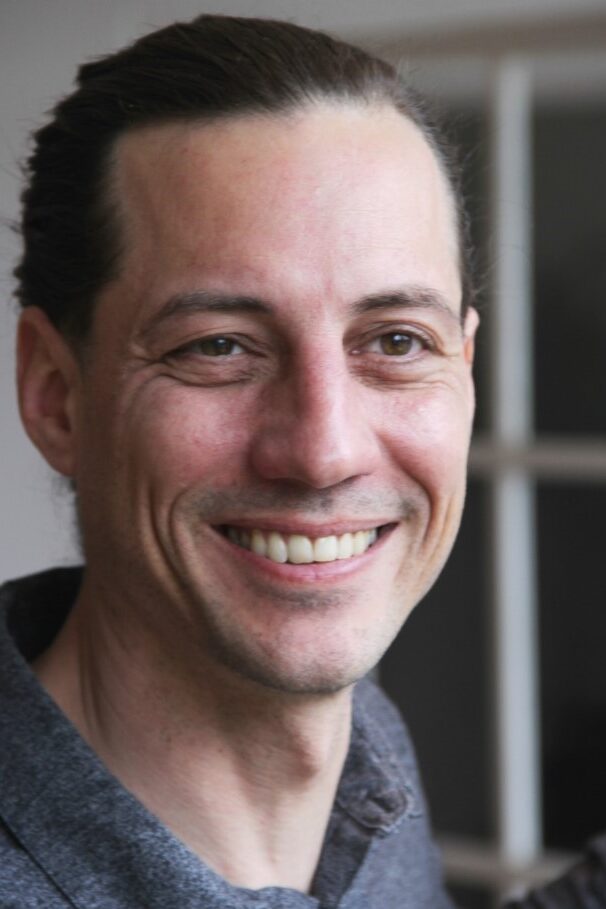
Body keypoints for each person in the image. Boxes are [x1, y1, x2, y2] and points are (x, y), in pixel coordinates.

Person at [0, 14, 479, 908]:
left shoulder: (366, 751)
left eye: (397, 340)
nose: (325, 450)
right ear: (57, 396)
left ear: (466, 367)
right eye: (218, 346)